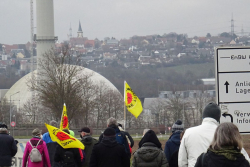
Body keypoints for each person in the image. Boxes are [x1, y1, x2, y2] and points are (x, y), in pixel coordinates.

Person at [178, 102, 250, 167]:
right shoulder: (224, 132)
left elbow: (182, 162)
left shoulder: (188, 132)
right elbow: (245, 158)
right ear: (218, 118)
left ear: (203, 116)